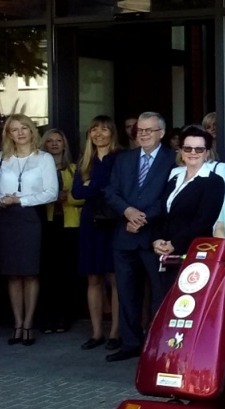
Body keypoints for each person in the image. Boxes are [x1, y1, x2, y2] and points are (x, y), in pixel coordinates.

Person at [104, 111, 176, 362]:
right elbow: (110, 191)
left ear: (161, 133)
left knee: (159, 293)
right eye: (140, 130)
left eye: (149, 130)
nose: (143, 134)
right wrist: (127, 211)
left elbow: (169, 197)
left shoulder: (173, 160)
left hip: (154, 236)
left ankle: (157, 346)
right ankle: (131, 343)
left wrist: (141, 218)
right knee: (125, 292)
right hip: (124, 235)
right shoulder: (124, 159)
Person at [0, 114, 58, 346]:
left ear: (32, 131)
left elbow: (51, 192)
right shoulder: (1, 158)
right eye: (14, 129)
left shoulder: (44, 158)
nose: (20, 133)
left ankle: (29, 324)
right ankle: (17, 323)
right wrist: (1, 199)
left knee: (30, 272)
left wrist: (20, 200)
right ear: (8, 134)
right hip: (6, 219)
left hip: (30, 216)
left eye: (24, 128)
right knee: (12, 273)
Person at [152, 125, 225, 299]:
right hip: (166, 254)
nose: (193, 152)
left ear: (207, 152)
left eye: (199, 149)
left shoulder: (214, 182)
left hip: (193, 255)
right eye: (188, 148)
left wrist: (174, 244)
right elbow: (163, 213)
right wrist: (156, 240)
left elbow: (204, 221)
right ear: (181, 151)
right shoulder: (174, 177)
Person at [71, 115, 122, 351]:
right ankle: (96, 332)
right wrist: (95, 186)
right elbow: (77, 192)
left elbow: (114, 188)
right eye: (94, 129)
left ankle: (115, 332)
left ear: (112, 133)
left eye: (103, 129)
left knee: (114, 278)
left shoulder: (120, 158)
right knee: (93, 278)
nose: (98, 133)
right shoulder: (85, 159)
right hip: (91, 222)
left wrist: (94, 185)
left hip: (114, 221)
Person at [38, 129, 83, 334]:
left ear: (64, 145)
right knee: (48, 273)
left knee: (67, 272)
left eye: (59, 141)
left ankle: (65, 316)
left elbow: (85, 196)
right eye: (50, 141)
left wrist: (68, 197)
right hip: (47, 225)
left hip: (70, 226)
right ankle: (48, 316)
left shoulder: (75, 169)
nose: (55, 144)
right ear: (44, 145)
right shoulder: (38, 168)